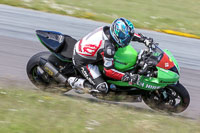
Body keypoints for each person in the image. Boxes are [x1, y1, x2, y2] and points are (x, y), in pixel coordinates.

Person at [68, 17, 153, 93]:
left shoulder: (109, 30)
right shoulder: (108, 48)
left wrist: (144, 39)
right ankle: (75, 82)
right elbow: (109, 71)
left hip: (87, 49)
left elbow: (128, 34)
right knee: (102, 88)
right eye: (123, 37)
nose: (127, 40)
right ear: (116, 34)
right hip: (83, 61)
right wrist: (128, 77)